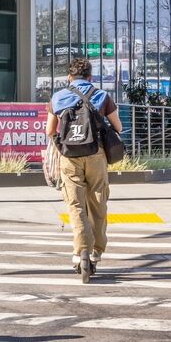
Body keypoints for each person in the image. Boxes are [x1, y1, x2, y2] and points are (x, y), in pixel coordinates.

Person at [46, 57, 123, 273]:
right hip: (96, 154)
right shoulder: (102, 96)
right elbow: (119, 127)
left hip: (69, 156)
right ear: (91, 77)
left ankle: (80, 251)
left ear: (69, 77)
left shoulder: (59, 97)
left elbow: (49, 131)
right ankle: (97, 250)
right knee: (98, 201)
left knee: (76, 204)